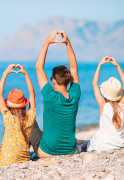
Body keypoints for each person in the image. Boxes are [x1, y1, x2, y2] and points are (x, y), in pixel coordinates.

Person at [29, 30, 81, 158]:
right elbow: (74, 68)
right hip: (70, 151)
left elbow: (38, 67)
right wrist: (68, 43)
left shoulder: (50, 96)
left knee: (32, 128)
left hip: (46, 153)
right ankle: (80, 145)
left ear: (53, 81)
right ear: (69, 81)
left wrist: (47, 42)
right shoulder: (75, 95)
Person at [77, 57, 124, 151]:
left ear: (106, 94)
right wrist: (117, 66)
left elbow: (94, 84)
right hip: (118, 144)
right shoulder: (122, 105)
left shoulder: (104, 106)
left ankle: (79, 147)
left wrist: (99, 65)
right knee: (94, 139)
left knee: (92, 141)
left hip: (104, 145)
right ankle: (80, 143)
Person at [0, 64, 36, 166]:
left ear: (8, 105)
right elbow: (32, 94)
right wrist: (26, 74)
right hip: (25, 159)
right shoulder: (30, 118)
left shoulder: (8, 118)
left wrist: (5, 73)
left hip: (5, 161)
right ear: (24, 105)